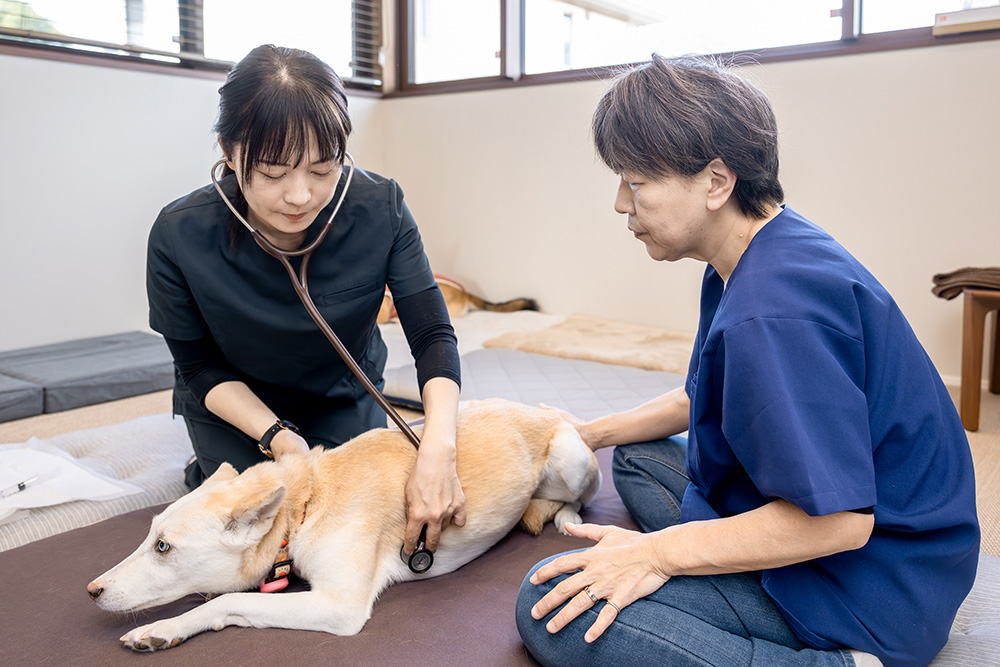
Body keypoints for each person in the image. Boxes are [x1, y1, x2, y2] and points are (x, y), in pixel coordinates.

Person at [515, 54, 979, 667]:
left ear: (715, 181)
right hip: (874, 542)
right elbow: (702, 397)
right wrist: (588, 432)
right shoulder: (755, 251)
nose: (621, 205)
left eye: (636, 181)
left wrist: (653, 555)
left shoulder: (774, 313)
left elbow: (840, 524)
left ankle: (839, 662)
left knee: (547, 606)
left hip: (873, 582)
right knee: (634, 457)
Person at [146, 44, 465, 555]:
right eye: (274, 173)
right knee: (257, 535)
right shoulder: (179, 234)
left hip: (340, 395)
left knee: (349, 519)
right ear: (228, 151)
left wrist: (439, 446)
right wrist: (277, 436)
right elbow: (199, 365)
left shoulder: (380, 207)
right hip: (237, 408)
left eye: (322, 169)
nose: (300, 196)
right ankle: (205, 462)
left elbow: (430, 333)